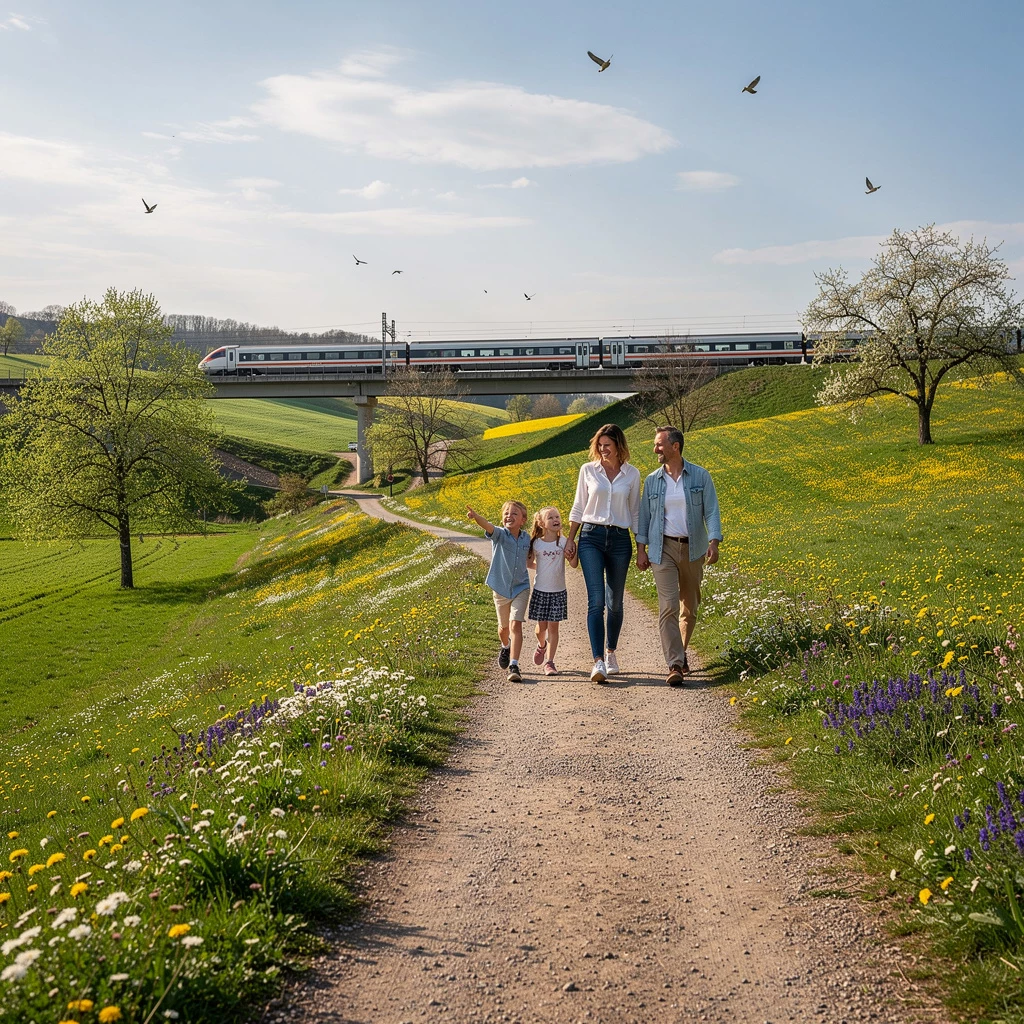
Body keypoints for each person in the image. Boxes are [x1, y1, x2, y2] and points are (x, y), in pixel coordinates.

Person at [635, 425, 722, 686]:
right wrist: (641, 549)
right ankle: (674, 663)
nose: (655, 449)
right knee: (668, 606)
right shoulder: (652, 480)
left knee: (690, 607)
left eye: (659, 444)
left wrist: (714, 542)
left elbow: (712, 511)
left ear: (675, 446)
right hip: (663, 548)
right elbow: (644, 518)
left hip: (693, 547)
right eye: (655, 444)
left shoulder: (700, 476)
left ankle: (681, 652)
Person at [565, 424, 641, 683]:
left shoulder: (632, 475)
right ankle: (597, 661)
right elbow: (578, 506)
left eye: (607, 445)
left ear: (620, 446)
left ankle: (611, 653)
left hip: (620, 540)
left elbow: (635, 513)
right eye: (599, 445)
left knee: (615, 602)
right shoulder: (588, 470)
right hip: (591, 538)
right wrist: (570, 539)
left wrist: (641, 547)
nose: (602, 449)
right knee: (596, 600)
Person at [467, 501, 531, 683]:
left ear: (523, 520)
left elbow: (533, 556)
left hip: (521, 587)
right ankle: (505, 646)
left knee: (515, 624)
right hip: (501, 589)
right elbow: (487, 525)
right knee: (503, 629)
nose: (509, 516)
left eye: (514, 513)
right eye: (506, 513)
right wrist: (476, 517)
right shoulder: (500, 535)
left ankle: (514, 665)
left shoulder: (527, 538)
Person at [526, 506, 578, 676]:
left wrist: (573, 554)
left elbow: (573, 564)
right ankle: (542, 646)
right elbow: (528, 563)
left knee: (553, 629)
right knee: (541, 629)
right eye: (551, 517)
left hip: (558, 591)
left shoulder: (564, 542)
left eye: (557, 516)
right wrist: (543, 568)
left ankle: (550, 662)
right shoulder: (536, 543)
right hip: (540, 591)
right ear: (541, 523)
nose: (556, 520)